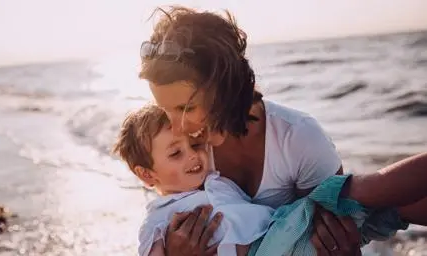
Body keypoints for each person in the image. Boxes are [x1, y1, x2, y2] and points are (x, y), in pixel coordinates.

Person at [138, 6, 358, 255]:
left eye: (185, 108)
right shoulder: (183, 149)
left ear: (224, 88)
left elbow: (336, 235)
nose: (177, 127)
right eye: (166, 110)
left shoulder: (298, 139)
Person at [112, 104, 427, 256]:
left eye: (195, 145)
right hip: (271, 247)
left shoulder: (217, 181)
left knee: (389, 209)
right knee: (357, 193)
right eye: (175, 154)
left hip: (286, 234)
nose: (194, 156)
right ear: (146, 174)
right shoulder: (158, 219)